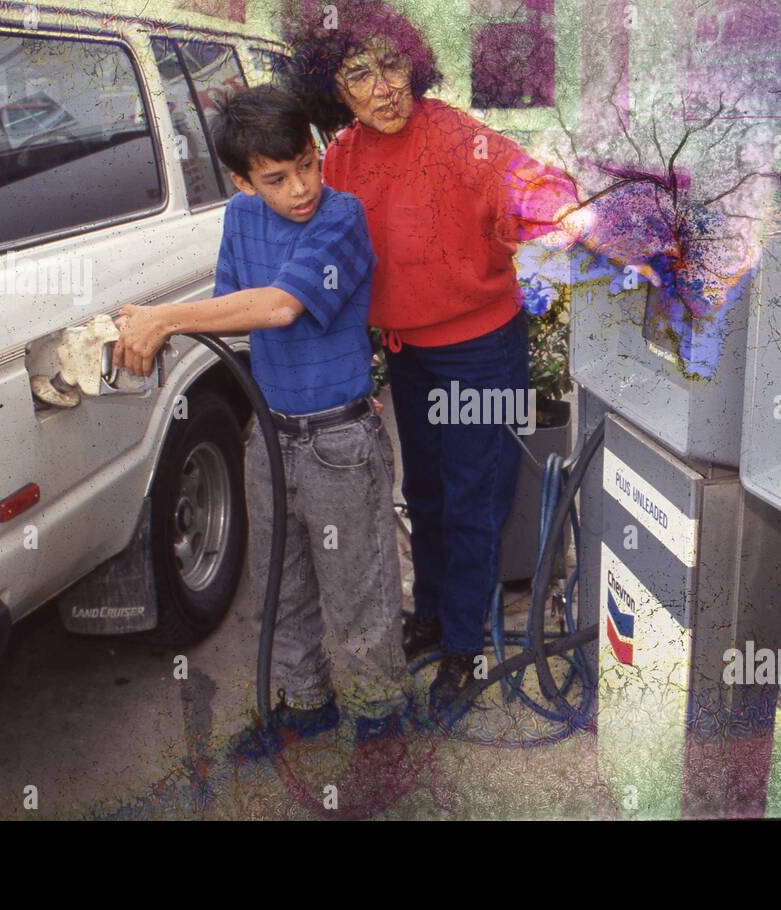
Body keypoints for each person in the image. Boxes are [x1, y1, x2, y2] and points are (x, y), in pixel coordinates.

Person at [282, 0, 589, 714]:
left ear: (415, 63)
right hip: (409, 357)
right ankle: (432, 618)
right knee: (423, 496)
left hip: (482, 353)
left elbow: (532, 189)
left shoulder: (456, 137)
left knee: (472, 504)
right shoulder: (345, 156)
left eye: (393, 64)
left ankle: (465, 648)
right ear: (335, 86)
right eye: (359, 73)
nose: (384, 87)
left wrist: (566, 210)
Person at [111, 84, 410, 742]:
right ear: (242, 181)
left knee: (359, 595)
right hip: (270, 437)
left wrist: (163, 317)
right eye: (277, 178)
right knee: (282, 584)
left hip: (340, 444)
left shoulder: (343, 216)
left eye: (307, 163)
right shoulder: (241, 220)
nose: (301, 187)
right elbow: (235, 313)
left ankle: (381, 727)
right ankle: (307, 707)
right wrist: (146, 331)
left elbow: (277, 306)